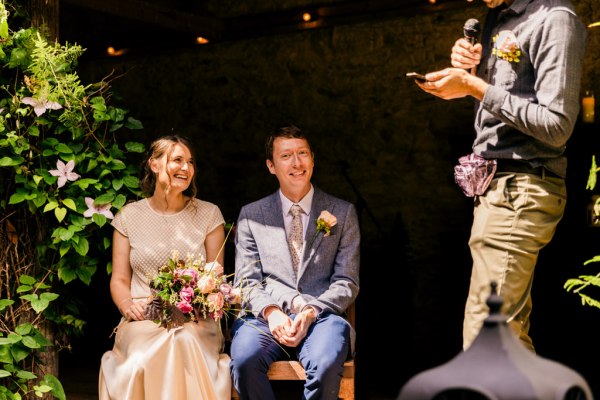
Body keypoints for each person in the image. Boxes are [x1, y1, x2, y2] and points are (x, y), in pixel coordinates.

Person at [413, 0, 586, 351]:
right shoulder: (498, 16)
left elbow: (557, 126)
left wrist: (476, 88)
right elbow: (503, 103)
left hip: (522, 186)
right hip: (495, 189)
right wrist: (473, 77)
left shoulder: (556, 20)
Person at [229, 125, 360, 399]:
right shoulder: (251, 215)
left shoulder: (343, 212)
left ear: (313, 159)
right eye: (286, 155)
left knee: (324, 365)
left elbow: (347, 282)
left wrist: (311, 311)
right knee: (244, 361)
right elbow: (246, 281)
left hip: (322, 317)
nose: (296, 163)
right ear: (271, 166)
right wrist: (271, 311)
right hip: (264, 318)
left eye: (302, 153)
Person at [98, 135, 231, 399]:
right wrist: (127, 305)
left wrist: (198, 301)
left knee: (180, 340)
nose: (186, 168)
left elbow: (216, 276)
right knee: (140, 359)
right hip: (143, 318)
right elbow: (120, 279)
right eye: (178, 160)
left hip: (195, 321)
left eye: (190, 162)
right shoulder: (128, 217)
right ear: (155, 164)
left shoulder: (209, 215)